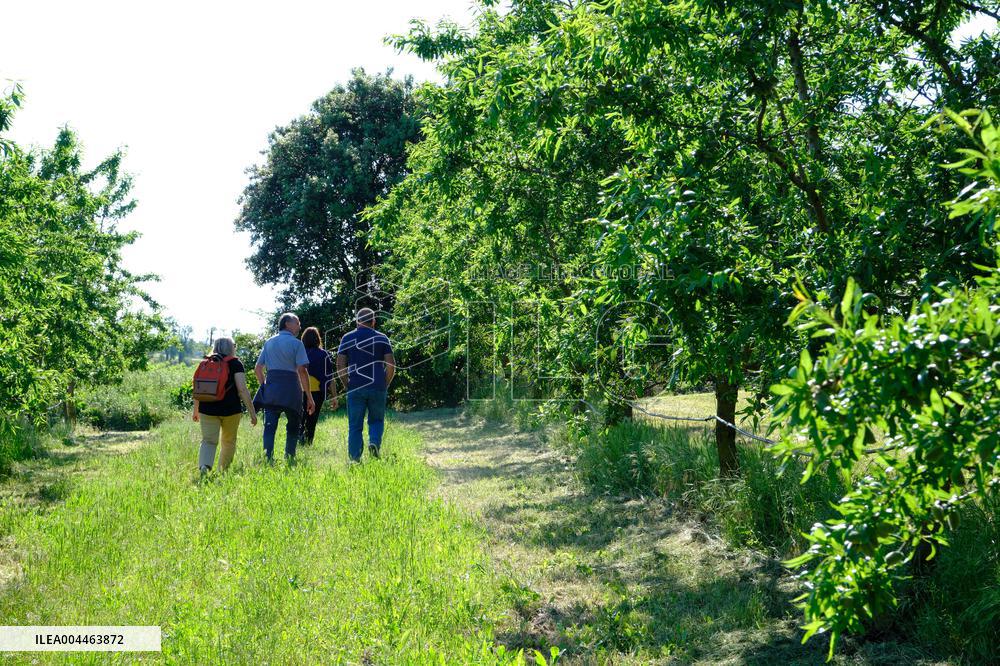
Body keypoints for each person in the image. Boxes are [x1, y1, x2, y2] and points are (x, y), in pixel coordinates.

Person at [254, 313, 315, 462]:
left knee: (269, 425)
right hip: (291, 390)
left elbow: (258, 368)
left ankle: (267, 458)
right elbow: (302, 370)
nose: (300, 326)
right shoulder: (297, 344)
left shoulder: (269, 342)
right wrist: (309, 397)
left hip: (272, 389)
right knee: (293, 424)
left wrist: (264, 386)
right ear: (287, 324)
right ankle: (289, 457)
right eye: (297, 322)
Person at [336, 307, 395, 461]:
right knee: (376, 420)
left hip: (355, 386)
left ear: (357, 321)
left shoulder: (347, 338)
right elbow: (391, 365)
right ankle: (374, 442)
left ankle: (355, 459)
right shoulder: (382, 338)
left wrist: (346, 384)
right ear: (373, 322)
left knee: (355, 426)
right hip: (377, 386)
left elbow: (340, 365)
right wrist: (385, 383)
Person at [193, 337, 257, 474]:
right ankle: (223, 471)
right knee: (228, 441)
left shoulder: (205, 362)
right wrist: (252, 412)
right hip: (230, 410)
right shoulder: (235, 363)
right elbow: (242, 389)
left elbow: (198, 389)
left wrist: (196, 410)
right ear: (231, 348)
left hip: (207, 409)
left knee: (208, 441)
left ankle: (204, 466)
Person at [299, 326, 337, 446]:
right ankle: (308, 443)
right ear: (317, 339)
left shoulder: (299, 353)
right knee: (312, 419)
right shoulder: (323, 354)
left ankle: (298, 440)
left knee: (300, 417)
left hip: (299, 390)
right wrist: (334, 397)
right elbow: (330, 377)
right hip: (316, 391)